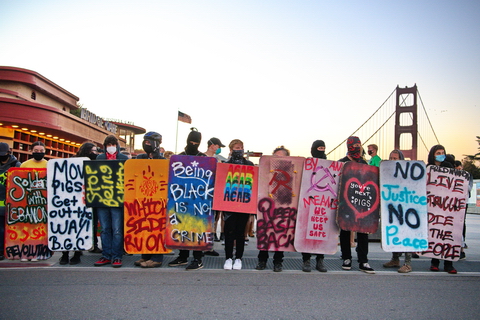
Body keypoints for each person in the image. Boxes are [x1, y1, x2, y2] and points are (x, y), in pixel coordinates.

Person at [168, 128, 207, 270]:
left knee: (197, 228)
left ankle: (198, 258)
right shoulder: (178, 157)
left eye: (196, 142)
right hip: (181, 198)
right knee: (182, 227)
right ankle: (183, 256)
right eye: (191, 141)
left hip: (198, 200)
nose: (193, 144)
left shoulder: (203, 158)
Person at [130, 132, 167, 268]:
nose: (147, 145)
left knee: (156, 228)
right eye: (145, 142)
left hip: (158, 200)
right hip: (142, 198)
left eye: (149, 142)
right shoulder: (140, 158)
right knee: (144, 228)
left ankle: (157, 257)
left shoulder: (162, 161)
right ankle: (145, 255)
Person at [58, 142, 99, 265]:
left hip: (88, 199)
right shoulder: (73, 161)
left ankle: (77, 253)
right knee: (69, 226)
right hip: (72, 199)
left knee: (82, 226)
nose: (95, 153)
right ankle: (64, 254)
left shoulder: (95, 163)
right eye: (93, 150)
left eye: (96, 151)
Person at [338, 136, 375, 274]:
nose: (357, 147)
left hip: (362, 202)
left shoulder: (364, 163)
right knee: (345, 230)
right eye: (354, 145)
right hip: (345, 202)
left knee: (362, 231)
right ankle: (346, 258)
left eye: (359, 145)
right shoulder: (341, 163)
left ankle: (363, 260)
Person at [93, 135, 129, 268]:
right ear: (105, 146)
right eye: (108, 144)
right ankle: (106, 255)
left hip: (118, 200)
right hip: (102, 199)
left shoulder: (124, 159)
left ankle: (117, 256)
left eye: (113, 144)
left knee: (117, 229)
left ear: (117, 146)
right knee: (104, 229)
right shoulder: (99, 158)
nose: (111, 147)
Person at [255, 146, 290, 272]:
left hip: (284, 207)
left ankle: (278, 261)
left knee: (280, 234)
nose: (278, 159)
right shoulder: (266, 171)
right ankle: (262, 260)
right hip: (268, 206)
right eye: (275, 157)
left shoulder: (292, 172)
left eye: (281, 157)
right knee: (265, 232)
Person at [223, 139, 254, 270]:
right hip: (228, 205)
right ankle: (228, 258)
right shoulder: (225, 165)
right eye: (237, 147)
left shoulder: (249, 164)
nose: (239, 149)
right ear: (231, 150)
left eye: (241, 147)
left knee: (241, 233)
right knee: (229, 232)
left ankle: (239, 258)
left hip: (243, 204)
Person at [382, 149, 415, 273]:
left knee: (406, 233)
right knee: (395, 232)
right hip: (393, 207)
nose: (392, 160)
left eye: (395, 158)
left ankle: (408, 263)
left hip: (407, 208)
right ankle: (395, 259)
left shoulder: (407, 172)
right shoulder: (388, 172)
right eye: (390, 158)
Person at [427, 145, 458, 274]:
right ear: (433, 154)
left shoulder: (449, 167)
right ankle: (435, 262)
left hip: (447, 205)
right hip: (433, 206)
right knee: (436, 234)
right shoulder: (428, 168)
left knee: (447, 235)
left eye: (442, 152)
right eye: (438, 152)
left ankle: (448, 263)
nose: (441, 154)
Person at [301, 140, 328, 273]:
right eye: (319, 148)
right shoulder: (307, 164)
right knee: (308, 233)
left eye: (323, 148)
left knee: (321, 233)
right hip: (309, 203)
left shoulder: (330, 165)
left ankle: (320, 260)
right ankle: (306, 259)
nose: (321, 150)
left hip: (324, 204)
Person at [19, 141, 49, 261]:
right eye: (36, 151)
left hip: (43, 201)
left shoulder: (48, 164)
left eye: (41, 151)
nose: (39, 153)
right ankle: (26, 252)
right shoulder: (24, 165)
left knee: (41, 227)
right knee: (27, 226)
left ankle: (39, 251)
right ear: (31, 151)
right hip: (27, 201)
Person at [203, 137, 226, 256]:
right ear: (212, 145)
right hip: (203, 193)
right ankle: (201, 245)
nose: (219, 149)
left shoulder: (218, 160)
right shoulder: (201, 157)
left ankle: (209, 246)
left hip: (214, 194)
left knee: (212, 220)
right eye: (218, 146)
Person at [0, 142, 22, 260]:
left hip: (12, 203)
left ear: (9, 153)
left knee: (7, 228)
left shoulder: (16, 165)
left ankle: (7, 250)